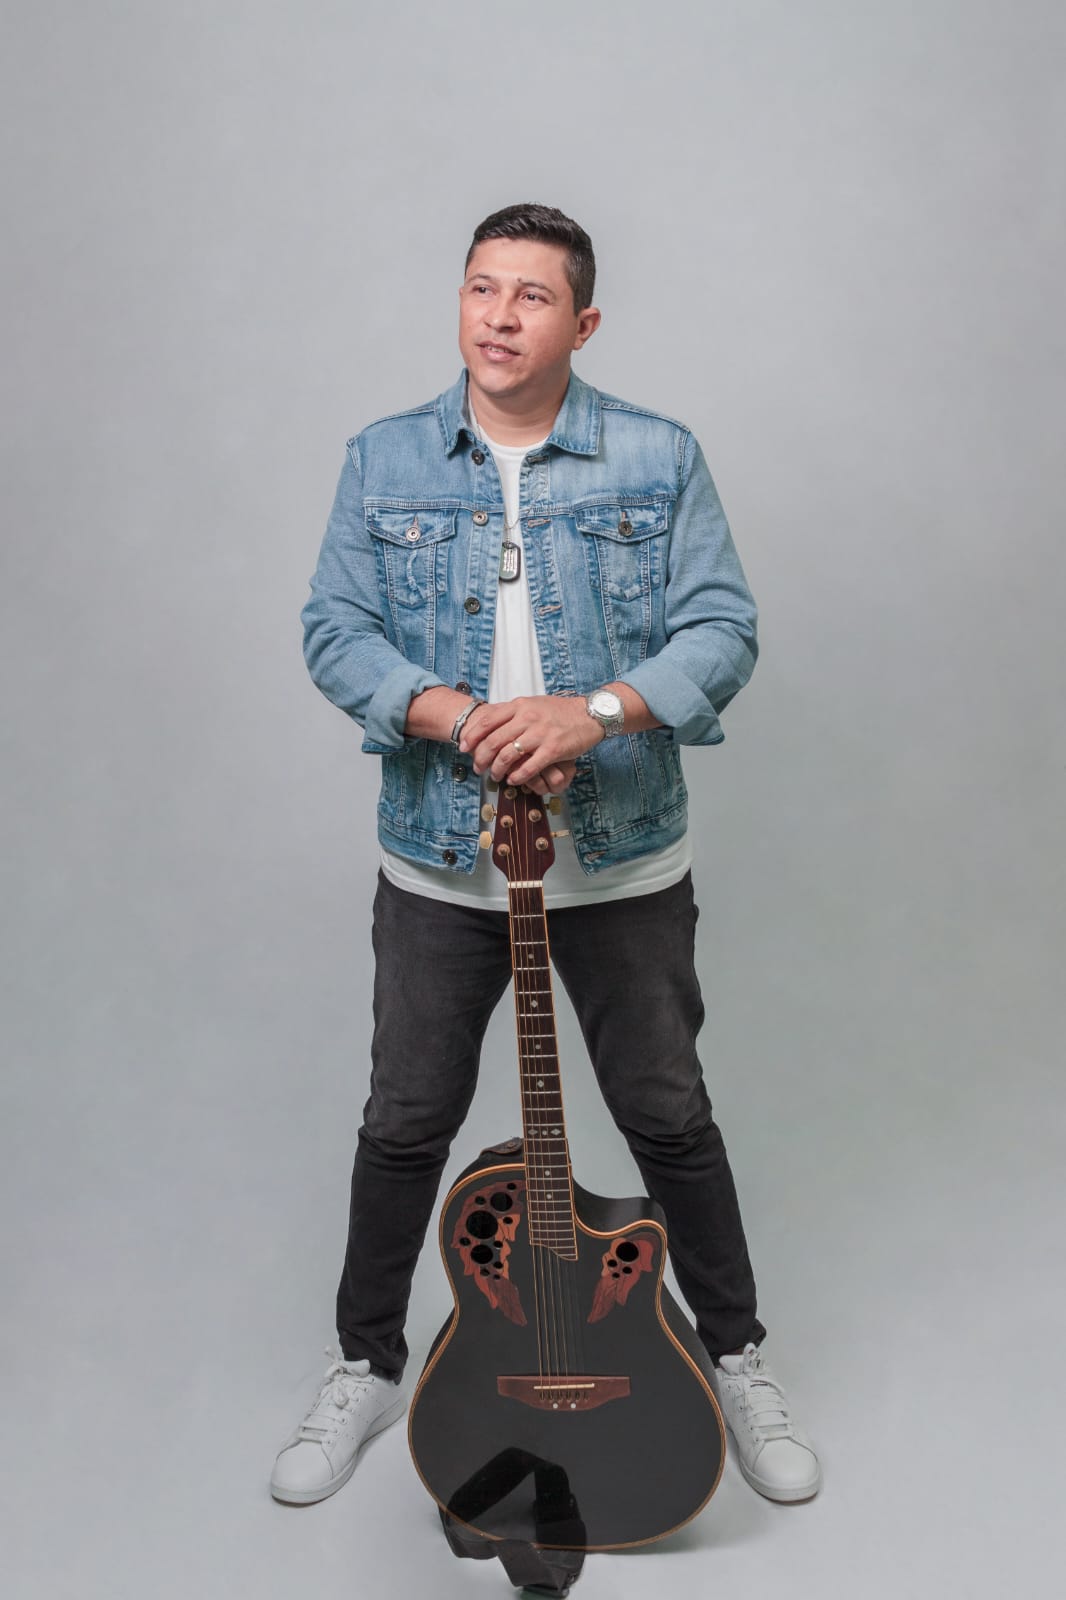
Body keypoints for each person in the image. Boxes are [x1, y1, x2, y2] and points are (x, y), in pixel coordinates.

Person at [271, 203, 821, 1510]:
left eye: (530, 296)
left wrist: (599, 711)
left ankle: (735, 1356)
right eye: (481, 288)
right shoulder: (385, 457)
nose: (499, 316)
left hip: (620, 858)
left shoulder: (657, 454)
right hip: (441, 858)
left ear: (583, 322)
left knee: (666, 1112)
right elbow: (335, 628)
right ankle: (366, 1363)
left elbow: (721, 628)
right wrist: (455, 718)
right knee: (406, 1119)